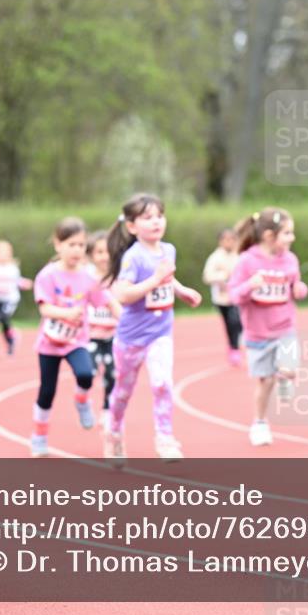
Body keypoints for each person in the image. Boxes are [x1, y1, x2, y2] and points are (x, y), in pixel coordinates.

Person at [106, 194, 202, 463]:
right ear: (132, 226)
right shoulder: (133, 258)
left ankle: (165, 438)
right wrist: (156, 279)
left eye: (159, 216)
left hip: (160, 334)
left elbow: (168, 278)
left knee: (162, 384)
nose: (156, 222)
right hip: (131, 338)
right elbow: (123, 295)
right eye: (147, 218)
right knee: (123, 392)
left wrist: (181, 290)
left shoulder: (168, 250)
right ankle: (114, 432)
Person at [29, 217, 111, 458]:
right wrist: (67, 313)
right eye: (71, 244)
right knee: (47, 392)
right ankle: (39, 436)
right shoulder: (48, 275)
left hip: (76, 341)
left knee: (86, 374)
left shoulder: (88, 278)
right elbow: (44, 308)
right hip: (50, 343)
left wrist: (125, 318)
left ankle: (81, 400)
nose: (77, 250)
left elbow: (105, 301)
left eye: (81, 245)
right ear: (58, 245)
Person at [228, 208, 308, 446]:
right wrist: (249, 286)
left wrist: (300, 290)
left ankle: (285, 377)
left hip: (285, 329)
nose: (292, 238)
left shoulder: (290, 259)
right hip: (258, 333)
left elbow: (297, 286)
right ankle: (260, 423)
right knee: (265, 381)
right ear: (269, 236)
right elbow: (233, 295)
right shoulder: (247, 261)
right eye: (287, 233)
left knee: (289, 369)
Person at [85, 232, 123, 436]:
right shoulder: (87, 278)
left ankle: (107, 410)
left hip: (113, 335)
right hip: (90, 335)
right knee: (89, 372)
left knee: (112, 374)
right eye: (99, 252)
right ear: (91, 255)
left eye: (108, 251)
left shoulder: (120, 278)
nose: (104, 256)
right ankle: (84, 401)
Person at [0, 240, 33, 356]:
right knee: (2, 323)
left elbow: (17, 281)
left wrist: (26, 283)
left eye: (6, 253)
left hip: (10, 299)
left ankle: (12, 335)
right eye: (0, 252)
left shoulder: (12, 269)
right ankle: (10, 342)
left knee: (2, 317)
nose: (3, 256)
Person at [202, 228, 243, 367]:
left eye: (232, 239)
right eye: (226, 240)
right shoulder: (215, 258)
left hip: (236, 297)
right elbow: (207, 276)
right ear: (220, 241)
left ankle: (235, 346)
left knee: (236, 321)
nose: (229, 242)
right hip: (221, 298)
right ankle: (232, 346)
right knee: (229, 323)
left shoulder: (238, 256)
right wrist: (222, 276)